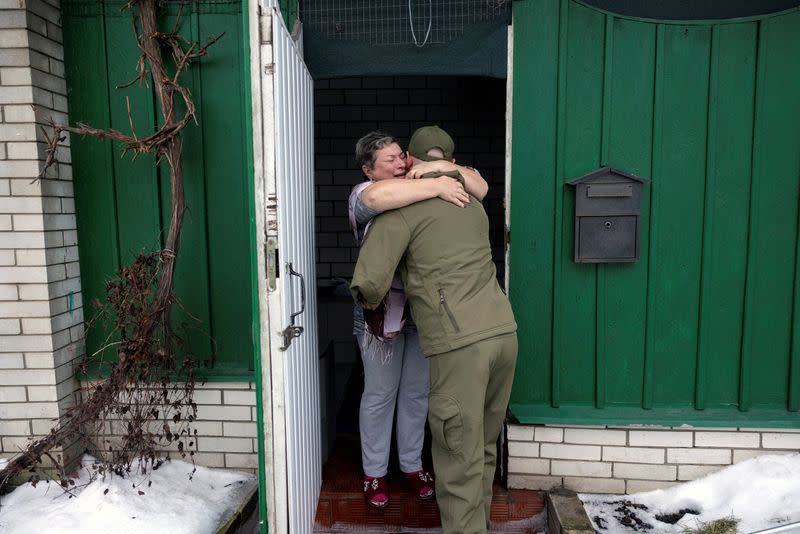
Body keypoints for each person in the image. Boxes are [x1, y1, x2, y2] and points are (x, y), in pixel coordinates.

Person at [350, 126, 517, 534]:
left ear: (412, 159)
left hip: (451, 335)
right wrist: (441, 179)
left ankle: (436, 495)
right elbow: (473, 183)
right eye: (388, 159)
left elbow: (368, 284)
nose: (398, 164)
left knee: (454, 449)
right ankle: (469, 519)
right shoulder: (468, 202)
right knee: (479, 444)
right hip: (500, 330)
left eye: (401, 157)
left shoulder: (404, 211)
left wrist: (371, 302)